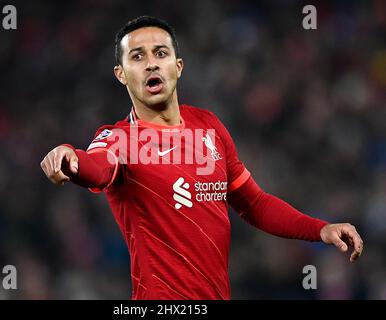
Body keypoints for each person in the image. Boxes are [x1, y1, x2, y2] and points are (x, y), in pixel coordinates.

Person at [40, 16, 364, 300]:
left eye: (161, 53)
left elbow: (253, 204)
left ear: (177, 67)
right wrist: (70, 158)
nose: (151, 63)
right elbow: (95, 167)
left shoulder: (209, 126)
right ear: (121, 74)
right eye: (137, 57)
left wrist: (320, 230)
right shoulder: (119, 139)